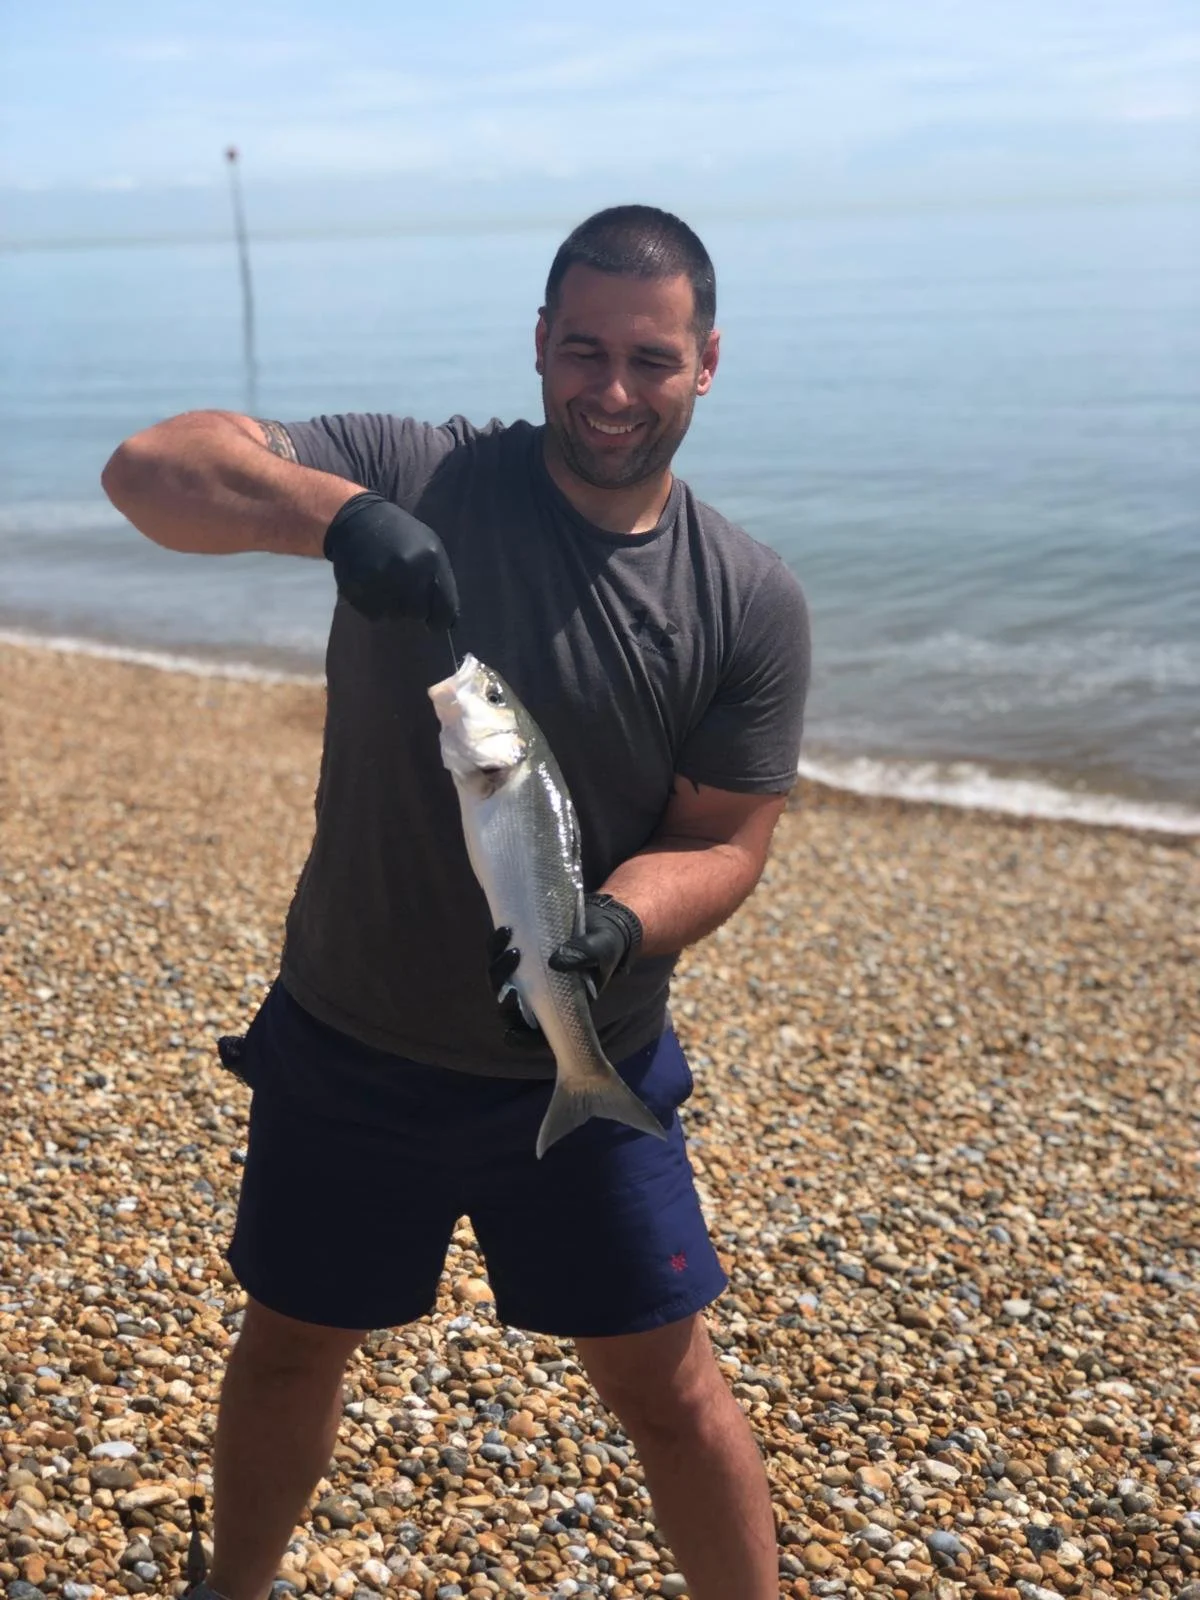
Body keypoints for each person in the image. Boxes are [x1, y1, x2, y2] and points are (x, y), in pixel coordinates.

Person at [101, 204, 811, 1600]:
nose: (613, 391)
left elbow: (726, 840)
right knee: (293, 1342)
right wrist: (342, 517)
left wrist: (613, 924)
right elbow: (151, 472)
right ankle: (229, 1588)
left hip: (583, 1054)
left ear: (708, 363)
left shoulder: (746, 598)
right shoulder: (417, 472)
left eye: (651, 361)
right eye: (585, 350)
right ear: (540, 344)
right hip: (350, 1035)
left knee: (671, 1392)